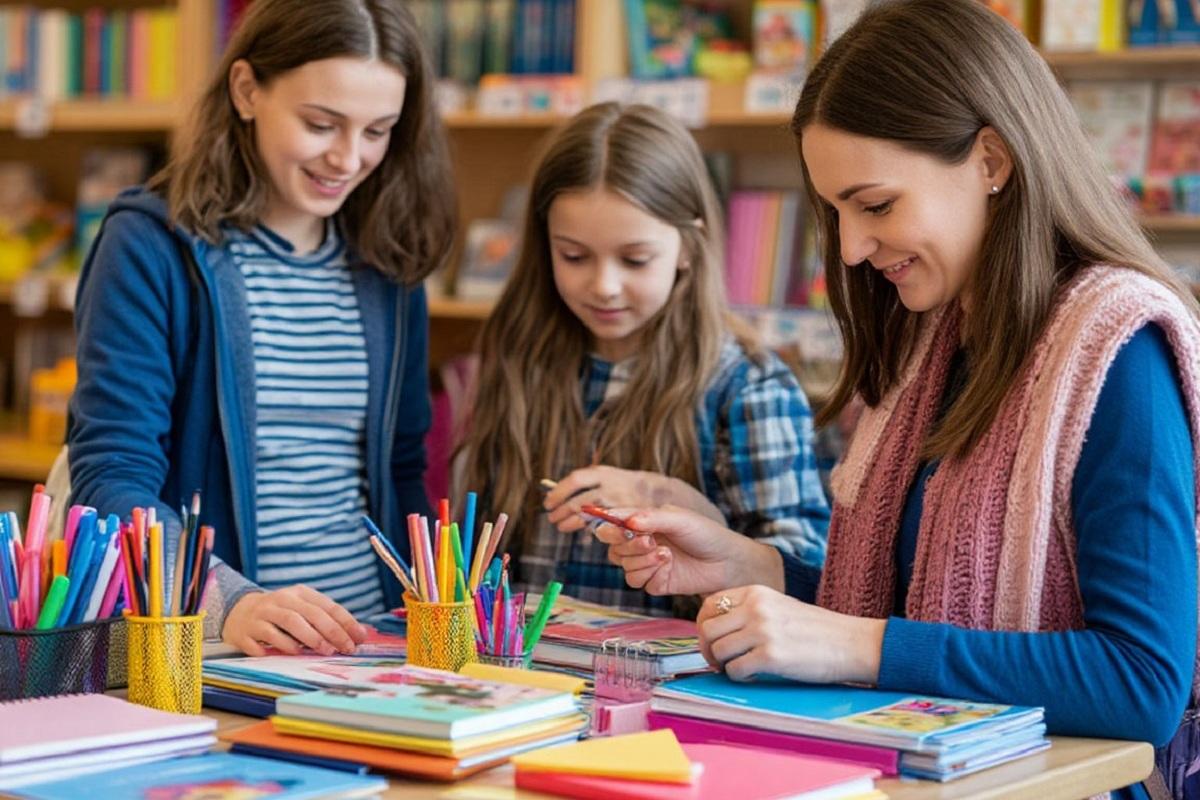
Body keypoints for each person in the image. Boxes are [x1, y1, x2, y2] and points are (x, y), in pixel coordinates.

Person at [594, 0, 1199, 796]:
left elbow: (1142, 684)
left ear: (991, 161)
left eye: (875, 205)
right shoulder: (931, 342)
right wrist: (756, 567)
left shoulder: (1119, 349)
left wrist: (855, 647)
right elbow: (909, 601)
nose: (850, 247)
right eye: (835, 212)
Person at [66, 0, 455, 656]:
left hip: (379, 647)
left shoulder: (389, 259)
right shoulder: (150, 246)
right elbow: (112, 475)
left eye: (377, 130)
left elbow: (402, 467)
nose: (348, 158)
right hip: (227, 649)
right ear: (247, 90)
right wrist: (231, 604)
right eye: (321, 123)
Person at [456, 102, 830, 615]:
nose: (604, 286)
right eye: (573, 255)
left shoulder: (748, 384)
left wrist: (665, 497)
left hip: (676, 684)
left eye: (635, 259)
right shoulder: (521, 357)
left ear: (687, 246)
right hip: (526, 673)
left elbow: (805, 573)